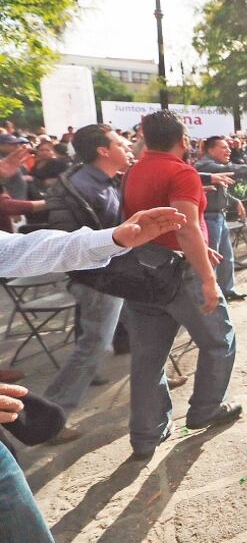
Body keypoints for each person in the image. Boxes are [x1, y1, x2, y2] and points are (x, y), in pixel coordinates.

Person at [0, 206, 185, 543]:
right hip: (95, 284)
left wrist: (112, 238)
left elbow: (19, 249)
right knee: (95, 346)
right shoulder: (74, 184)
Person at [120, 110, 241, 460]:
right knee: (220, 341)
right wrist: (207, 278)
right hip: (178, 272)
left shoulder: (134, 171)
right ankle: (206, 409)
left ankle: (145, 436)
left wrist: (200, 249)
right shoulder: (181, 171)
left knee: (147, 358)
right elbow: (184, 226)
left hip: (142, 269)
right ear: (184, 140)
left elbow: (156, 219)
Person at [40, 125, 133, 431]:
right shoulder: (86, 187)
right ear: (103, 151)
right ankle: (49, 419)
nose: (127, 146)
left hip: (114, 275)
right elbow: (82, 240)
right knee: (94, 346)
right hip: (98, 281)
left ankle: (153, 378)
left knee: (144, 324)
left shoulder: (104, 181)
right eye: (120, 143)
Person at [195, 136, 247, 300]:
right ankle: (213, 295)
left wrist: (235, 201)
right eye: (223, 147)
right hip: (208, 218)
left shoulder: (216, 167)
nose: (228, 151)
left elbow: (221, 191)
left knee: (226, 257)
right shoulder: (205, 165)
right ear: (210, 150)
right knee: (212, 259)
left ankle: (228, 290)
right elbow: (234, 168)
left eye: (228, 147)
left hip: (219, 216)